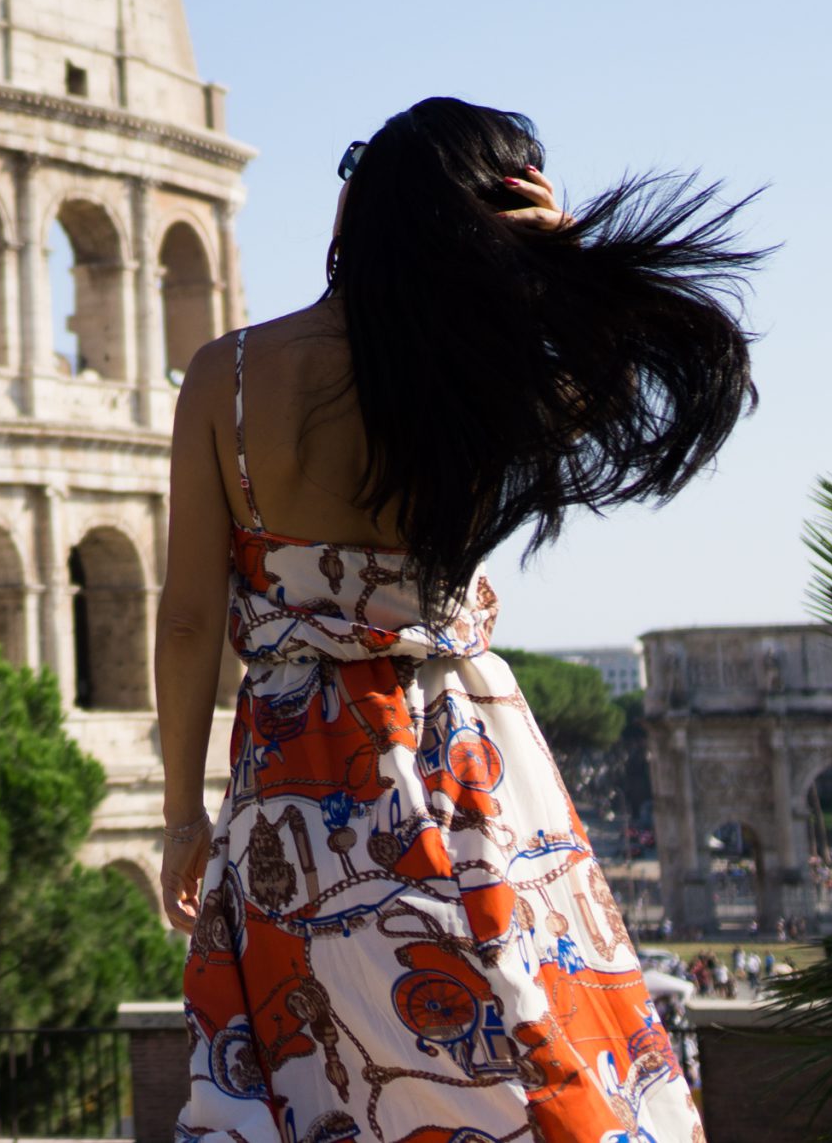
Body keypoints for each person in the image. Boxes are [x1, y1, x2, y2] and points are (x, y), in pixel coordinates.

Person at [157, 99, 761, 1141]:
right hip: (464, 748)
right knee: (513, 1024)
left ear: (365, 206)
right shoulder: (488, 383)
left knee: (324, 1060)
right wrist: (567, 260)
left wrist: (181, 809)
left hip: (296, 770)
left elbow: (184, 617)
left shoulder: (230, 374)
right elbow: (618, 386)